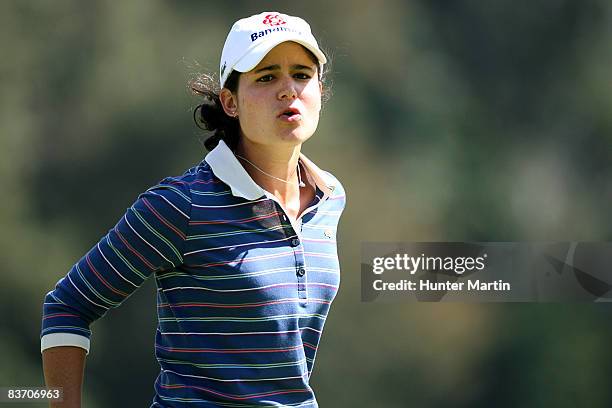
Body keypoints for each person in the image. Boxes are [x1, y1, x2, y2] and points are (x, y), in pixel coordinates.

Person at [41, 11, 346, 408]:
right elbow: (67, 306)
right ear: (230, 102)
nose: (288, 90)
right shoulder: (181, 205)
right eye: (267, 77)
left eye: (302, 75)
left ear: (320, 91)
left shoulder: (329, 196)